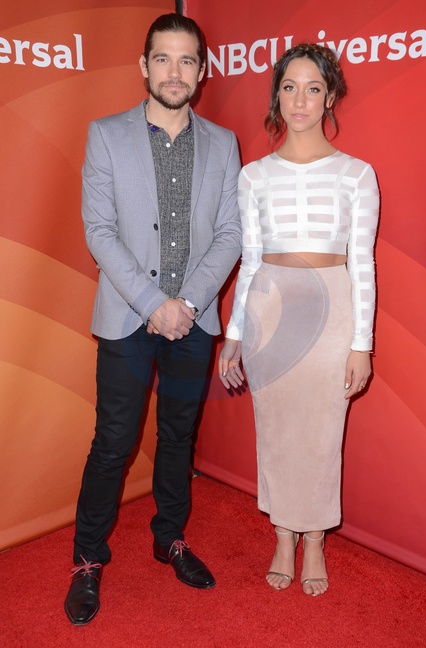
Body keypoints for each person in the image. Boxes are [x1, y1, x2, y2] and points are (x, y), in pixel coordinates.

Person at [64, 13, 241, 625]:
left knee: (178, 438)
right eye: (162, 58)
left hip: (194, 322)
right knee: (113, 442)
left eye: (186, 60)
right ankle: (88, 558)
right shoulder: (106, 134)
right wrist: (153, 303)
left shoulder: (223, 143)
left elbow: (230, 233)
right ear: (144, 66)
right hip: (126, 318)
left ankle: (170, 538)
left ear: (202, 70)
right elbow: (99, 230)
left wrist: (186, 304)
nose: (174, 71)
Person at [219, 43, 379, 597]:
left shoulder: (357, 174)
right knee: (276, 426)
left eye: (313, 88)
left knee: (323, 429)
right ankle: (283, 535)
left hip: (333, 306)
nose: (301, 100)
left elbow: (363, 262)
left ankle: (314, 538)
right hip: (270, 307)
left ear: (329, 96)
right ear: (277, 96)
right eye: (290, 87)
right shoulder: (254, 176)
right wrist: (234, 334)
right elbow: (250, 260)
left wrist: (361, 343)